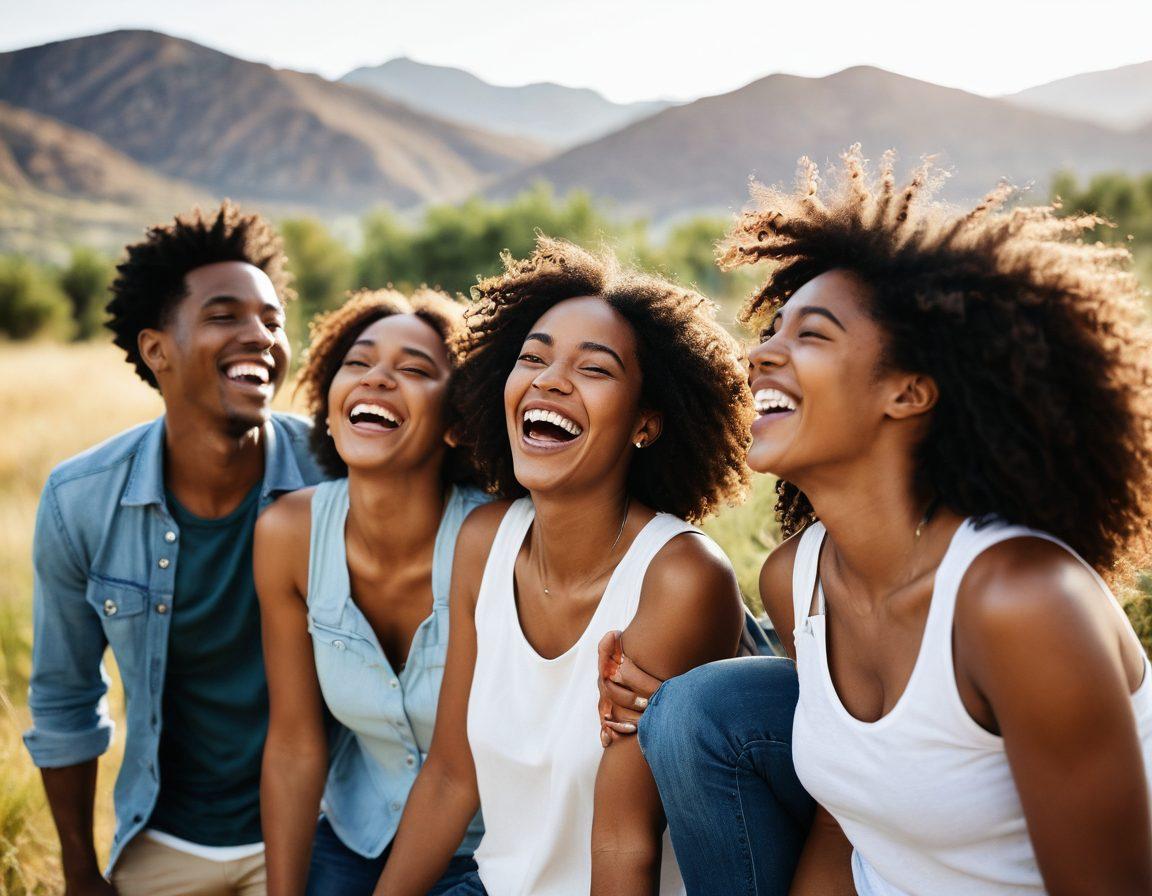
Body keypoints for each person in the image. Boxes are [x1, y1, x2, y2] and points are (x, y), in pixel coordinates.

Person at [602, 147, 1152, 895]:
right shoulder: (797, 577)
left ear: (908, 393)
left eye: (813, 335)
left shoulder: (1021, 601)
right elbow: (847, 818)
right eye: (773, 330)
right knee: (697, 708)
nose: (762, 354)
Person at [371, 237, 754, 895]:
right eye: (533, 358)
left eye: (595, 369)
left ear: (647, 421)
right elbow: (449, 775)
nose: (549, 380)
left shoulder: (678, 579)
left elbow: (623, 842)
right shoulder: (482, 541)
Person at [24, 202, 324, 896]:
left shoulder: (337, 473)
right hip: (163, 840)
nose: (260, 337)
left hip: (320, 834)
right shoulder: (81, 502)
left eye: (273, 322)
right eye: (225, 316)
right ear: (156, 348)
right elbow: (65, 699)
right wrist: (79, 872)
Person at [255, 289, 487, 896]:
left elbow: (457, 772)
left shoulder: (491, 542)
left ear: (458, 423)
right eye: (357, 364)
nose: (378, 378)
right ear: (330, 410)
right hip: (354, 836)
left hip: (490, 851)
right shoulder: (287, 534)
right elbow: (294, 744)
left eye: (413, 369)